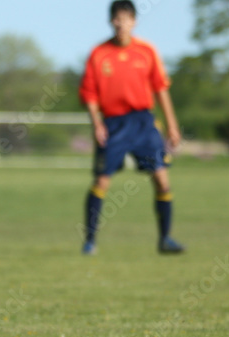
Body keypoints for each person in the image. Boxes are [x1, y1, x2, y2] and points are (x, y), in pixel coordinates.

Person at [79, 0, 184, 255]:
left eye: (126, 18)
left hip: (143, 121)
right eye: (117, 18)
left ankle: (165, 239)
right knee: (102, 181)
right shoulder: (99, 53)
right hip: (113, 123)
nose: (121, 23)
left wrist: (172, 125)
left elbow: (161, 88)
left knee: (161, 178)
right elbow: (90, 94)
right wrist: (97, 124)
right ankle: (90, 240)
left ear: (134, 21)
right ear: (111, 21)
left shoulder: (147, 51)